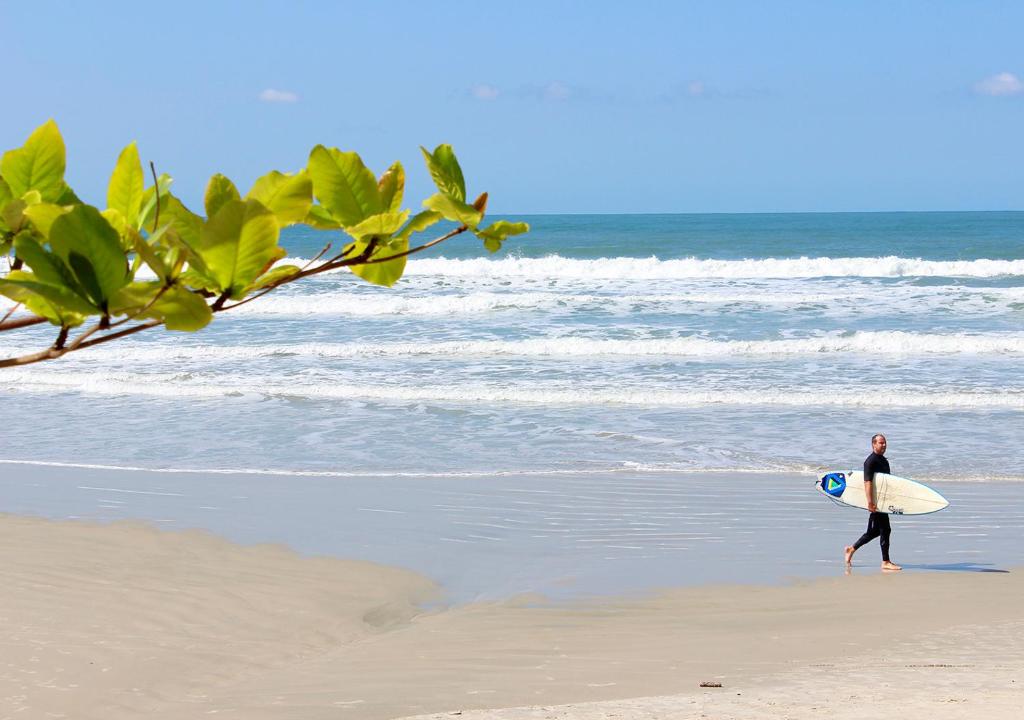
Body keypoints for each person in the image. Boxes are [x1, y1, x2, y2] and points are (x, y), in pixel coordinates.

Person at [844, 434, 902, 571]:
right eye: (881, 443)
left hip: (882, 501)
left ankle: (851, 549)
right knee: (885, 530)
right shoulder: (870, 462)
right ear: (873, 444)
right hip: (876, 502)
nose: (884, 445)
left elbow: (885, 482)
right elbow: (867, 483)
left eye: (885, 443)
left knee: (875, 531)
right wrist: (870, 503)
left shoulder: (883, 461)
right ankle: (885, 561)